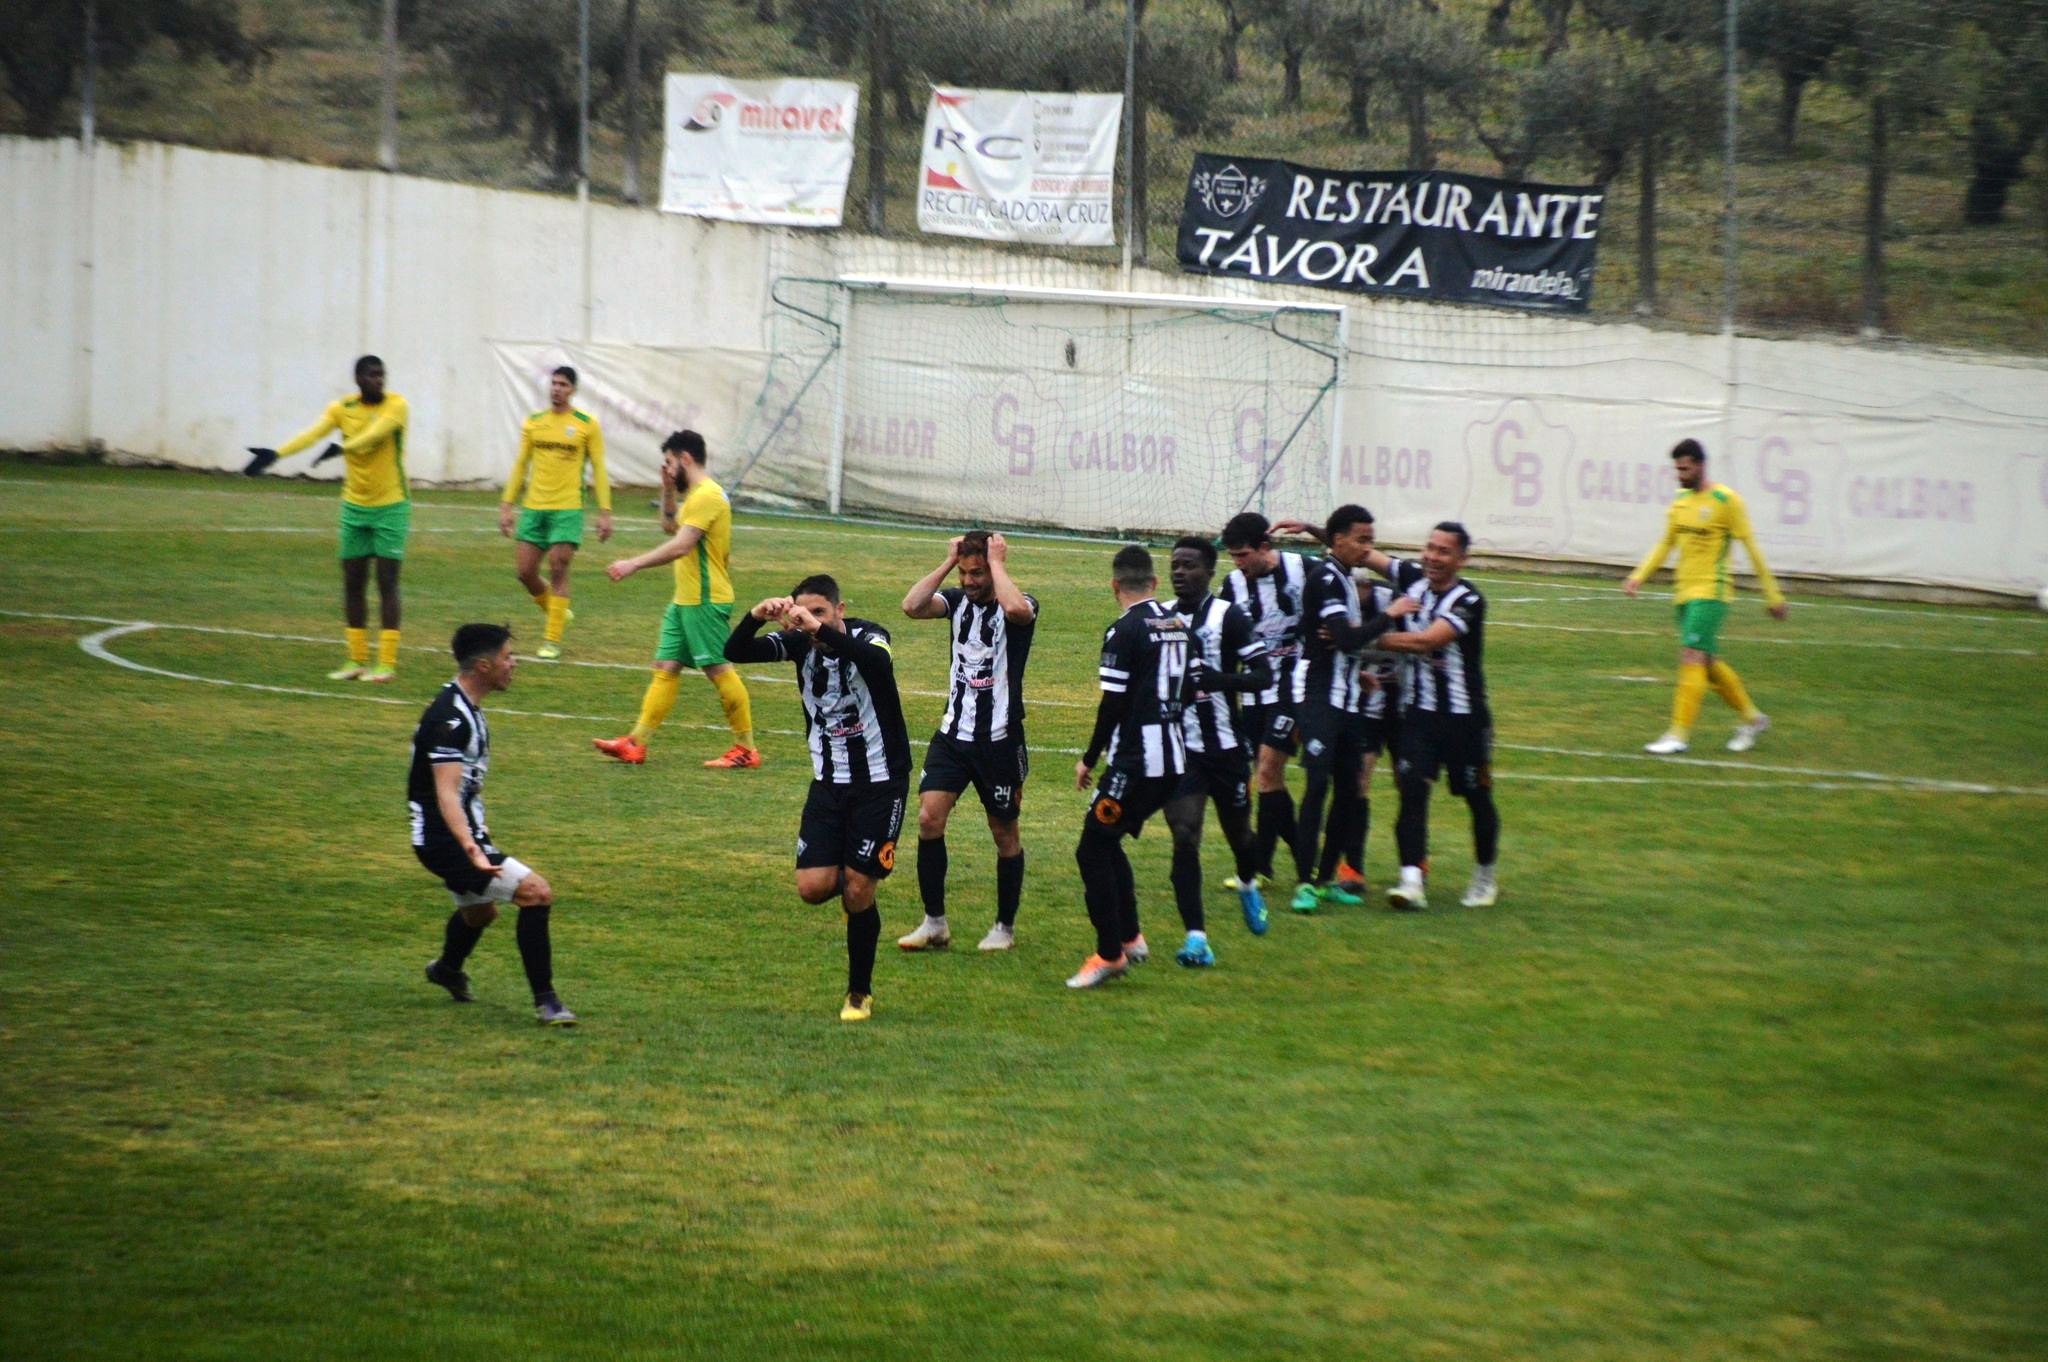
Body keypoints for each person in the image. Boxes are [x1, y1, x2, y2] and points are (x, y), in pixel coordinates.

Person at [724, 576, 910, 1022]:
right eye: (802, 613)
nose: (809, 622)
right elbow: (735, 652)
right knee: (812, 889)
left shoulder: (870, 635)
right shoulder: (798, 643)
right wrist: (755, 616)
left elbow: (876, 663)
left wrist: (818, 628)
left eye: (820, 613)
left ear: (839, 609)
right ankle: (857, 894)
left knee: (859, 888)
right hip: (828, 784)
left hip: (881, 783)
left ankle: (859, 992)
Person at [412, 623, 577, 1026]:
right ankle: (547, 1002)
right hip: (446, 840)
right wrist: (470, 846)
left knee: (480, 914)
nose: (513, 663)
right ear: (484, 666)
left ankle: (447, 969)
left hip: (458, 834)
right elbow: (446, 793)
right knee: (535, 893)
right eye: (507, 656)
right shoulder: (450, 719)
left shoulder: (465, 707)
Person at [896, 531, 1038, 954]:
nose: (968, 581)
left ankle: (1004, 927)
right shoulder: (956, 602)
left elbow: (1016, 610)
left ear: (993, 569)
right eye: (963, 573)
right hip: (953, 735)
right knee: (928, 819)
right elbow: (911, 606)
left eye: (976, 573)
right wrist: (946, 563)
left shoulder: (1021, 602)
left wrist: (997, 564)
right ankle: (934, 923)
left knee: (1003, 833)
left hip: (1000, 740)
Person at [595, 430, 758, 768]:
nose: (667, 469)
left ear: (685, 458)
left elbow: (681, 546)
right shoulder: (695, 495)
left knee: (718, 669)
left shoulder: (708, 495)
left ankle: (746, 749)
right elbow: (670, 528)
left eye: (670, 463)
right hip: (685, 600)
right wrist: (667, 490)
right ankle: (635, 744)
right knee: (665, 667)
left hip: (704, 599)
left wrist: (633, 564)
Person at [1068, 545, 1192, 990]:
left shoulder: (1123, 630)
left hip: (1137, 763)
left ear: (1114, 585)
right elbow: (1190, 689)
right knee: (1108, 839)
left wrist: (1089, 758)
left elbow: (1113, 704)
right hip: (1173, 759)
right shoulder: (1178, 624)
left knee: (1091, 849)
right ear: (1154, 583)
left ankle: (1109, 954)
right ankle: (1130, 937)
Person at [244, 355, 411, 682]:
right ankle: (356, 660)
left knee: (387, 582)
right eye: (372, 375)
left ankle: (386, 664)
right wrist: (277, 454)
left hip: (391, 505)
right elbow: (312, 434)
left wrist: (343, 449)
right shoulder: (341, 408)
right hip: (353, 506)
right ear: (358, 379)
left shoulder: (397, 405)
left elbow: (375, 435)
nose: (379, 380)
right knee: (353, 582)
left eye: (382, 375)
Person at [1625, 438, 1789, 755]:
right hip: (1684, 594)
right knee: (1708, 662)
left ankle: (1678, 734)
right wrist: (1638, 576)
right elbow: (1665, 543)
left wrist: (1773, 595)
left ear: (1700, 466)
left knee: (1690, 656)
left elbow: (1752, 548)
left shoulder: (1726, 501)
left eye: (1685, 469)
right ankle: (1753, 719)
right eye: (1677, 469)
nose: (1680, 475)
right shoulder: (1680, 501)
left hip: (1712, 592)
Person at [1376, 522, 1499, 911]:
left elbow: (1427, 641)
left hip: (1465, 720)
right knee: (1412, 791)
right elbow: (1362, 553)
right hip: (1419, 716)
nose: (1432, 556)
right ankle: (1411, 881)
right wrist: (1316, 531)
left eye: (1443, 551)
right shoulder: (1413, 580)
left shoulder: (1469, 601)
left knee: (1476, 797)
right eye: (1429, 547)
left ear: (1462, 559)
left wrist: (1366, 636)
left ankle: (1485, 875)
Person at [1164, 535, 1273, 966]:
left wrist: (1219, 680)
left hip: (1227, 749)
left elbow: (1263, 675)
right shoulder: (1161, 618)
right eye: (1175, 564)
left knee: (1241, 838)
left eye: (1189, 565)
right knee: (1184, 834)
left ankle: (1248, 883)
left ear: (1210, 572)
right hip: (1181, 750)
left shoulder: (1230, 617)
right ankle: (1196, 938)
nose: (1179, 572)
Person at [1286, 505, 1399, 914]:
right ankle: (1304, 883)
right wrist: (1390, 615)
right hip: (1320, 697)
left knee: (1349, 791)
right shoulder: (1326, 579)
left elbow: (1343, 643)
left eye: (1371, 541)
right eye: (1361, 540)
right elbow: (1346, 639)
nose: (1368, 548)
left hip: (1348, 698)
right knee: (1317, 786)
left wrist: (1357, 671)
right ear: (1339, 540)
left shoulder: (1346, 577)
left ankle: (1326, 879)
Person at [1217, 512, 1315, 887]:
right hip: (1255, 693)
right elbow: (1224, 639)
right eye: (1232, 557)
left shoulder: (1303, 569)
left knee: (1267, 772)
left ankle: (1260, 865)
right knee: (1268, 779)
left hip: (1295, 689)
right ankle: (1302, 857)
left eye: (1243, 555)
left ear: (1264, 547)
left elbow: (1347, 574)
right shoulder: (1232, 586)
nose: (1237, 564)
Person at [498, 365, 611, 660]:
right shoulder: (534, 422)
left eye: (563, 384)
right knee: (525, 572)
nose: (557, 389)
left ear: (573, 390)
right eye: (554, 383)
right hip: (534, 508)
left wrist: (604, 511)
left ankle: (551, 640)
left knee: (558, 568)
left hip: (567, 508)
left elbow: (599, 468)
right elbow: (520, 464)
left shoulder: (586, 424)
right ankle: (557, 612)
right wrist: (507, 505)